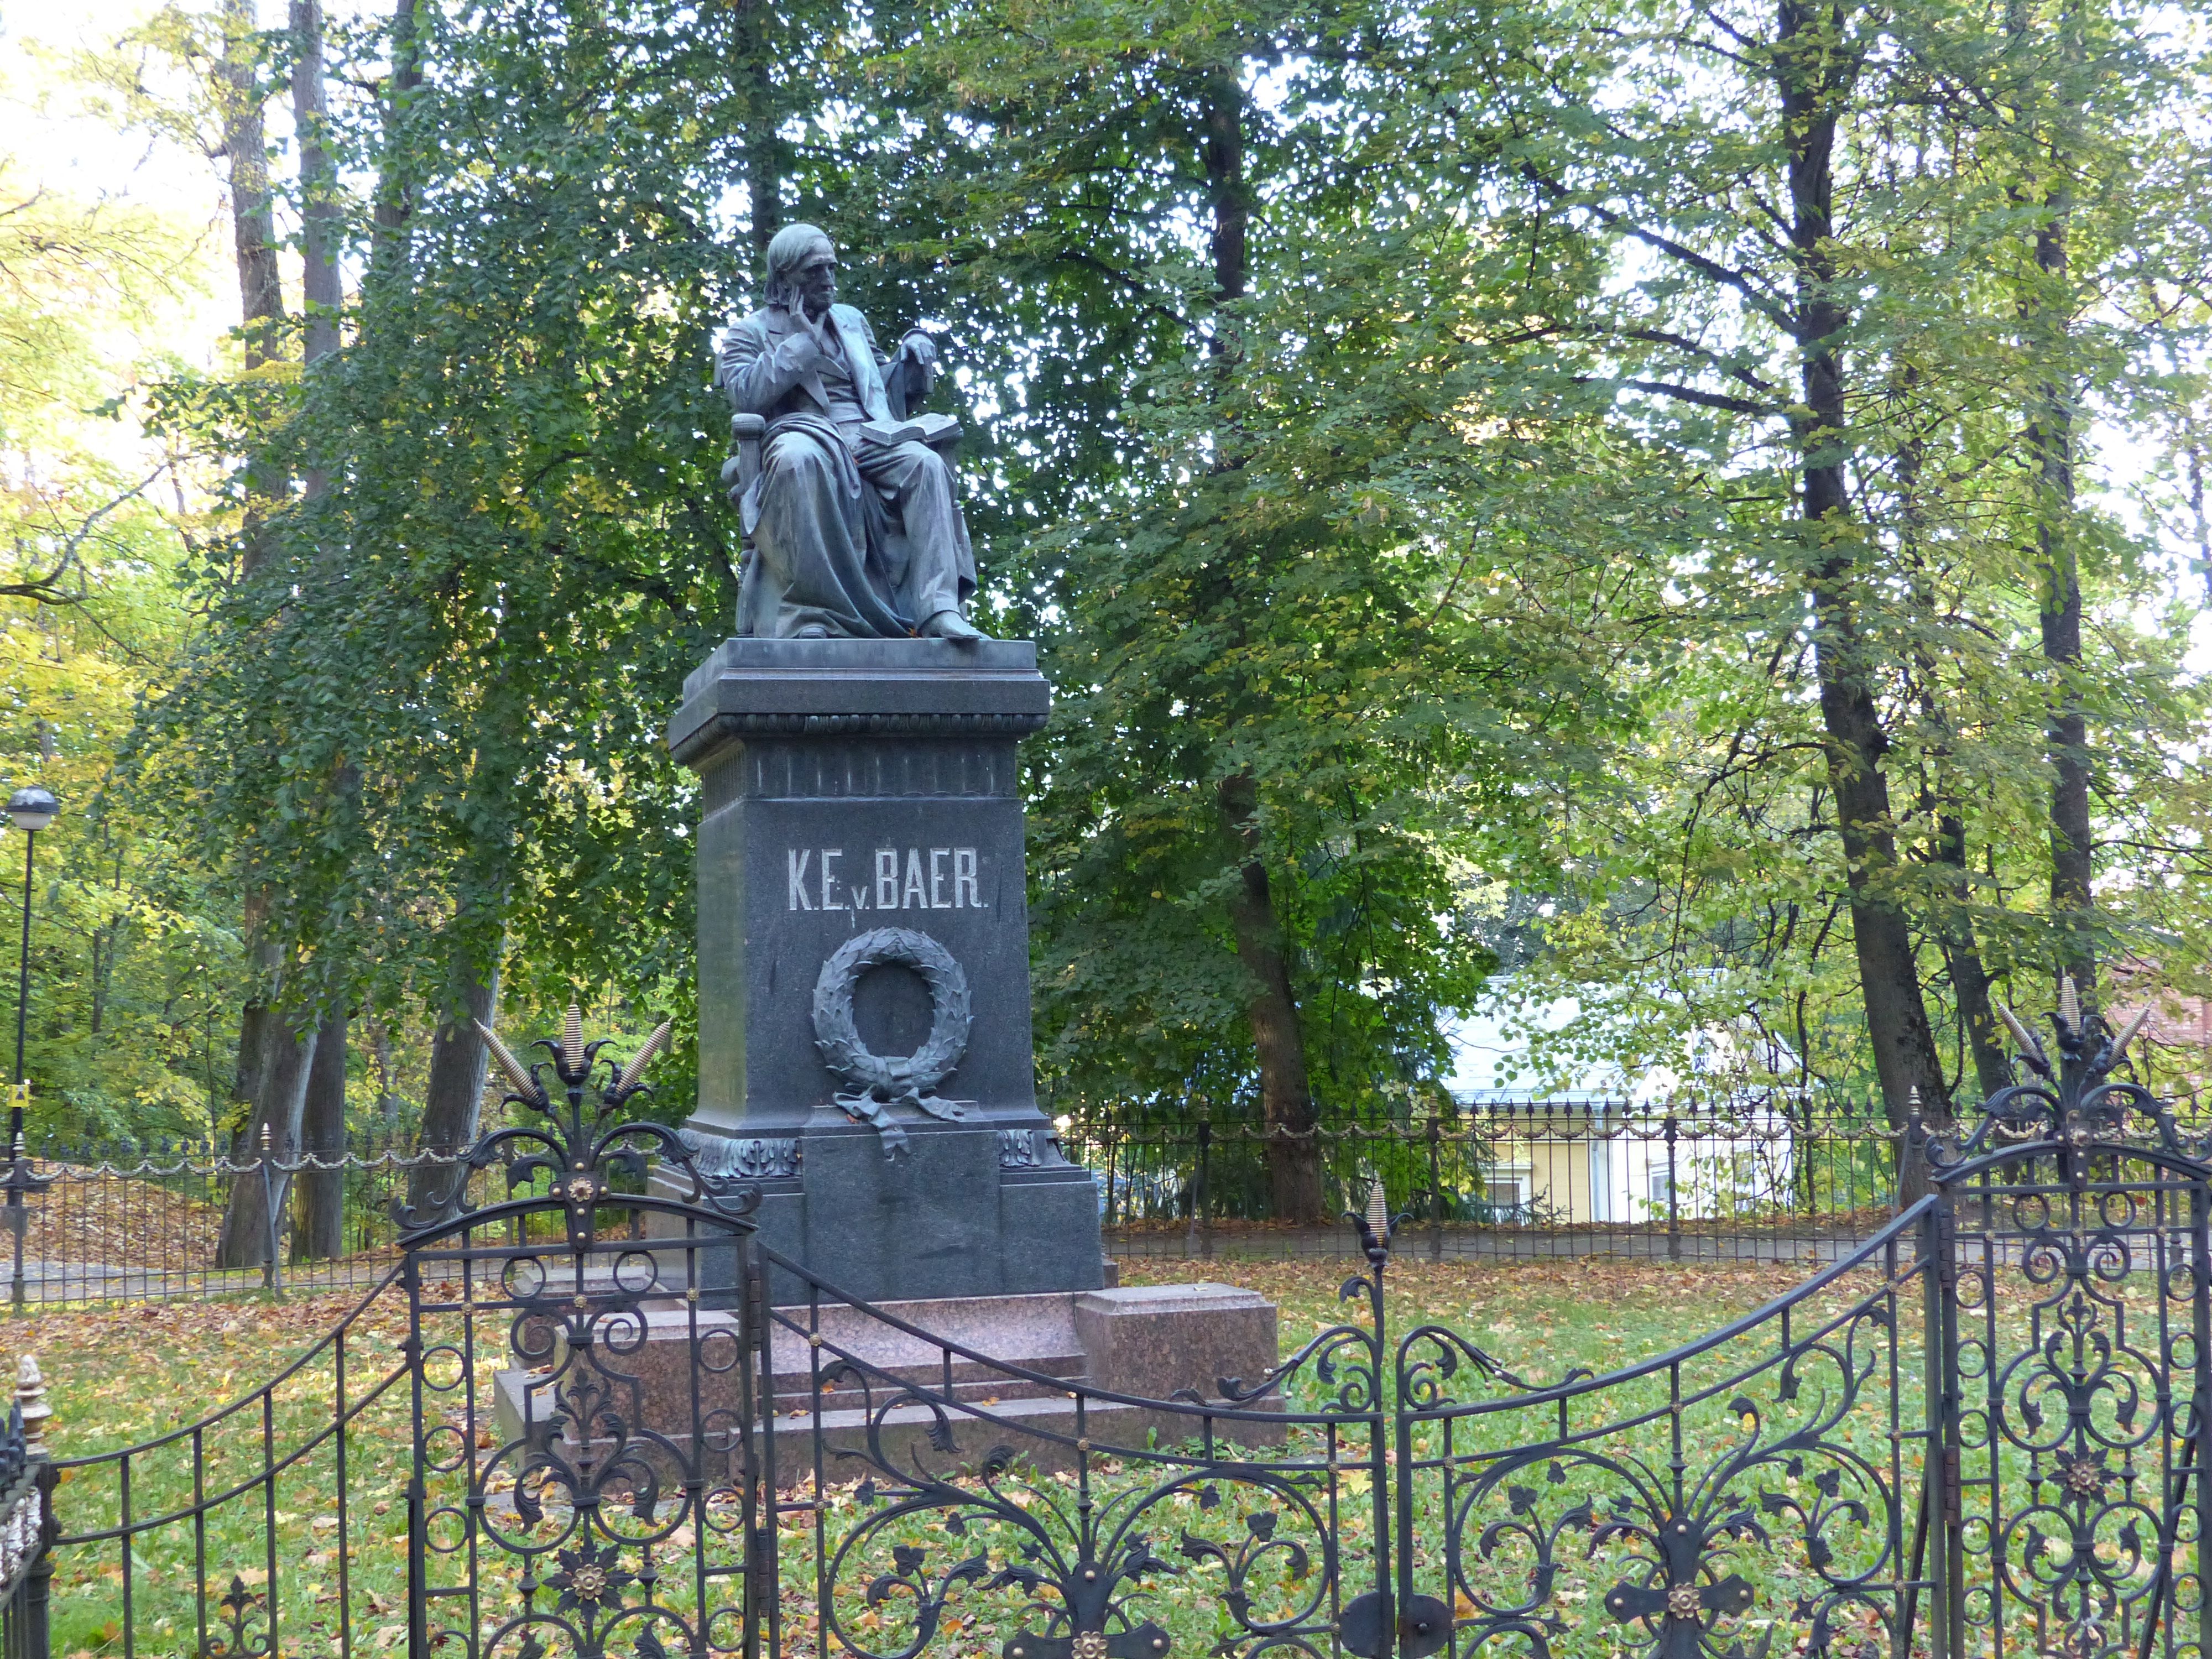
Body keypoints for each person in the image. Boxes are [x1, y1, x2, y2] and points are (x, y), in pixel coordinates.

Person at [716, 223, 984, 640]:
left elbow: (882, 382)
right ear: (785, 277)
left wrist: (911, 356)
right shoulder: (749, 331)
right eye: (814, 271)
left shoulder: (851, 320)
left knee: (926, 464)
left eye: (830, 268)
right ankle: (814, 614)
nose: (827, 279)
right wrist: (801, 344)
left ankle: (938, 609)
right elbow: (745, 395)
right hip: (801, 430)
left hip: (870, 432)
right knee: (796, 461)